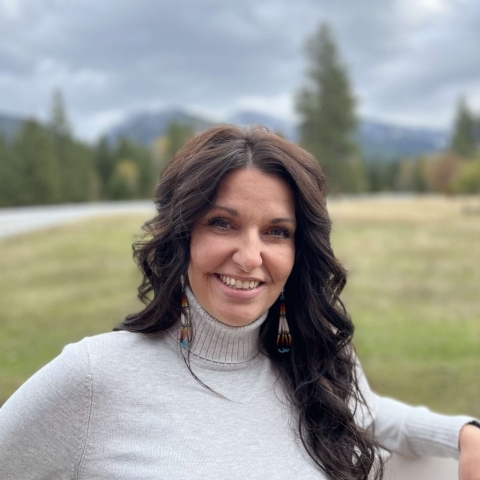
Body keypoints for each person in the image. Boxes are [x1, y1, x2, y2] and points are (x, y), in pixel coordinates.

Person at [0, 125, 479, 480]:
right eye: (222, 223)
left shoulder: (318, 362)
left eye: (276, 232)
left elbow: (372, 414)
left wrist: (462, 433)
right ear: (182, 234)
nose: (250, 257)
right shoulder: (91, 378)